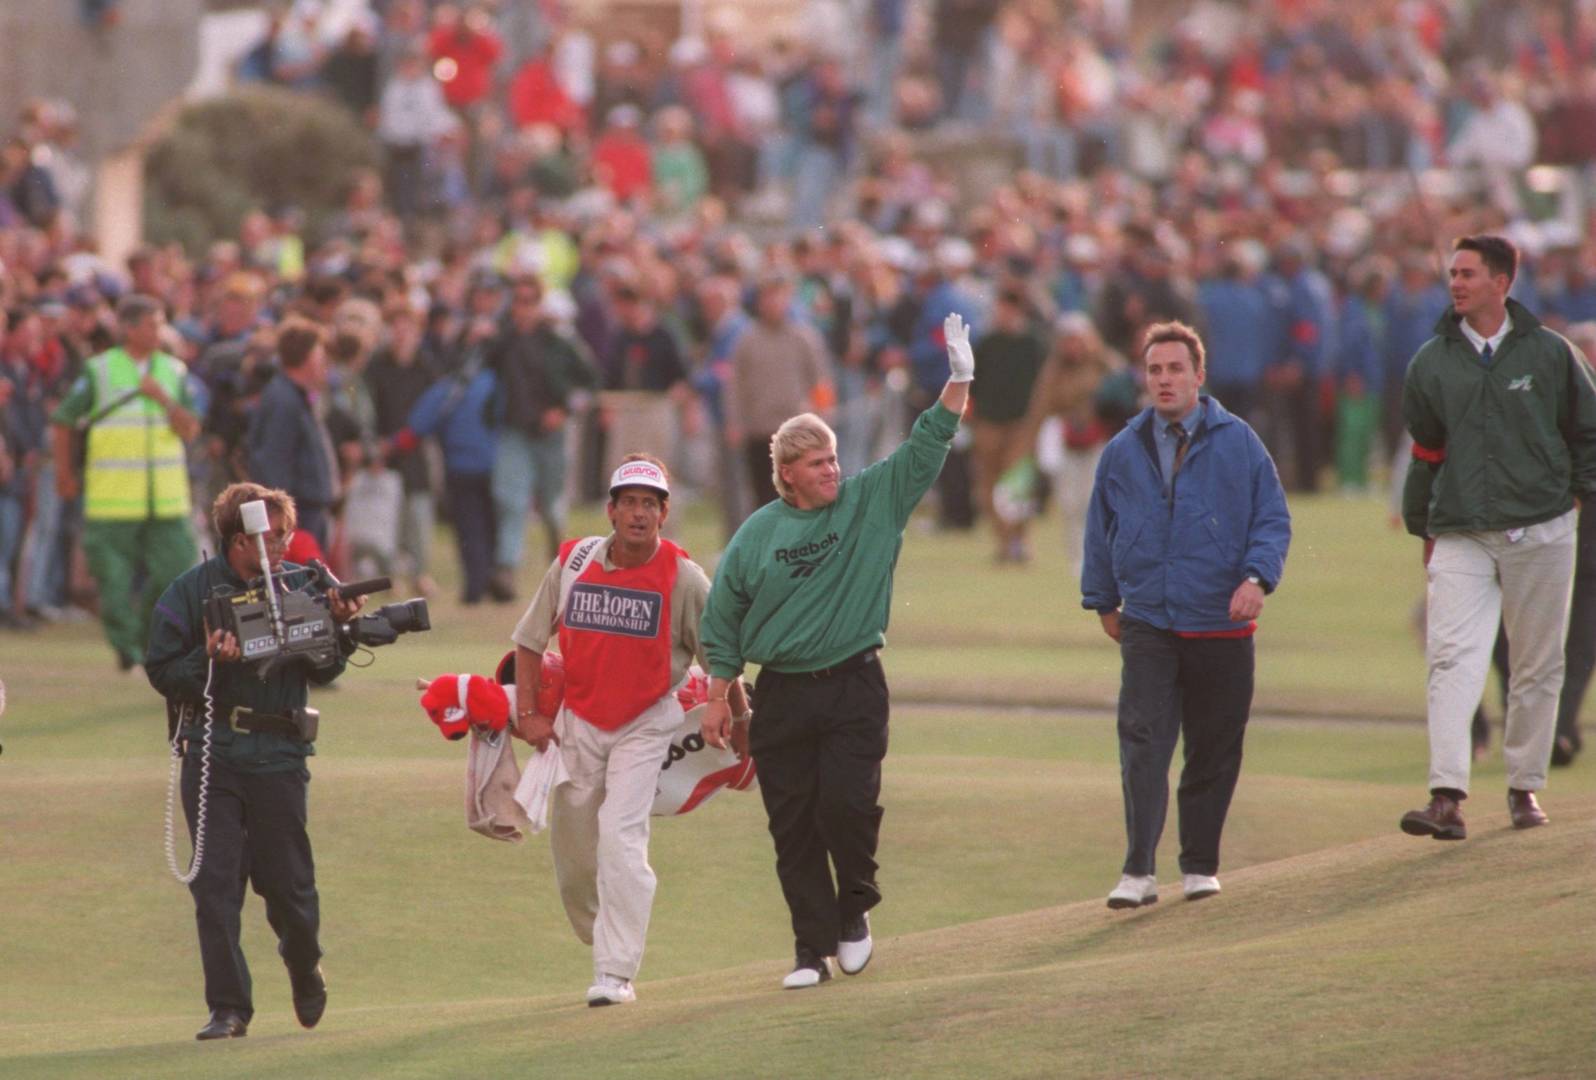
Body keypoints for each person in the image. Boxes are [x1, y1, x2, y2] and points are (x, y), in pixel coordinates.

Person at [698, 313, 975, 989]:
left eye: (833, 458)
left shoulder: (868, 502)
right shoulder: (757, 534)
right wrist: (717, 696)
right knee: (792, 827)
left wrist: (958, 382)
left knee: (845, 808)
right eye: (817, 463)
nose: (833, 469)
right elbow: (723, 616)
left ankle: (854, 912)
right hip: (784, 694)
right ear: (787, 474)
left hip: (854, 683)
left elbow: (923, 449)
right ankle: (807, 953)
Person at [509, 453, 744, 1007]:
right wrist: (528, 714)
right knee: (575, 853)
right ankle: (601, 933)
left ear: (664, 516)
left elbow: (721, 654)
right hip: (579, 721)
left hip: (645, 722)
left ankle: (615, 972)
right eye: (630, 503)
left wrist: (739, 713)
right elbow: (529, 640)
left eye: (651, 505)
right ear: (611, 511)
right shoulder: (573, 561)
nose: (639, 514)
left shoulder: (684, 577)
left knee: (622, 837)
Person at [1082, 320, 1290, 909]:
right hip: (1149, 619)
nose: (1165, 379)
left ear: (1199, 375)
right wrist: (1101, 599)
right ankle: (1138, 872)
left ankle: (1199, 864)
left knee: (1213, 746)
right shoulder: (1122, 450)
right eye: (1154, 370)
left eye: (1175, 369)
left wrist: (1257, 578)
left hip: (1222, 620)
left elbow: (1272, 519)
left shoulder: (1241, 442)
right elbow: (1100, 528)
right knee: (1143, 741)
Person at [145, 482, 365, 1040]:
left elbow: (324, 671)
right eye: (274, 537)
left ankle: (303, 963)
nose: (284, 547)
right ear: (239, 540)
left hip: (280, 753)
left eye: (285, 535)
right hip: (213, 751)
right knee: (214, 885)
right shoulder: (190, 592)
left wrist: (338, 625)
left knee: (289, 886)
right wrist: (208, 659)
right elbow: (162, 670)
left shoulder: (302, 586)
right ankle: (228, 1007)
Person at [1398, 236, 1596, 838]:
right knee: (1450, 657)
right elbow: (1426, 448)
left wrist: (1578, 498)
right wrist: (1420, 518)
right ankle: (1446, 797)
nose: (1455, 283)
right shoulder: (1431, 360)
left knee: (1538, 664)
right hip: (1461, 530)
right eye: (1452, 273)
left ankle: (1524, 789)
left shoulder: (1552, 354)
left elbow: (1587, 432)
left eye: (1468, 274)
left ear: (1502, 282)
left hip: (1543, 528)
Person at [49, 294, 201, 671]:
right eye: (152, 324)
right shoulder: (98, 370)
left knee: (174, 574)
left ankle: (144, 638)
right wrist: (64, 473)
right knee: (113, 584)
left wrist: (163, 399)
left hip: (165, 500)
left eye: (161, 323)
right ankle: (126, 649)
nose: (159, 331)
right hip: (113, 498)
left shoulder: (174, 370)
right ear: (128, 329)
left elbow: (190, 429)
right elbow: (64, 420)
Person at [723, 273, 835, 511]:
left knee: (800, 494)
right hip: (760, 430)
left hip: (797, 433)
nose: (773, 303)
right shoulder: (746, 340)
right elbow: (734, 385)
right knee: (763, 495)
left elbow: (820, 381)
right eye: (767, 297)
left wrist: (824, 417)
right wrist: (734, 421)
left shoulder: (804, 338)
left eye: (778, 297)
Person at [246, 318, 339, 551]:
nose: (324, 363)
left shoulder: (296, 396)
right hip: (299, 515)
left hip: (308, 511)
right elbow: (274, 462)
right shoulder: (284, 401)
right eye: (319, 355)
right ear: (306, 358)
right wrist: (283, 516)